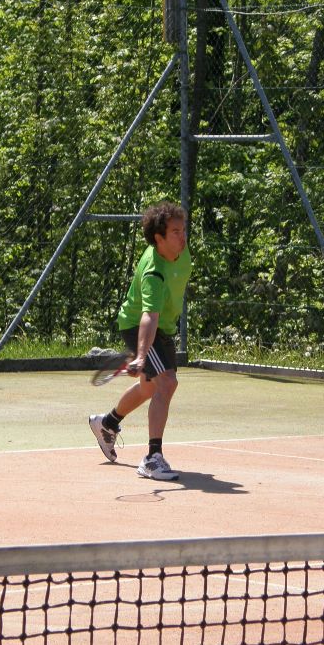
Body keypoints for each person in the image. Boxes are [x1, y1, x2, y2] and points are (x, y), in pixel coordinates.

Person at [89, 202, 192, 480]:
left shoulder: (180, 251)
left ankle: (107, 423)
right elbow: (149, 316)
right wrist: (142, 355)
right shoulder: (153, 272)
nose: (182, 237)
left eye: (183, 230)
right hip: (140, 326)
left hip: (163, 326)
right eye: (175, 232)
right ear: (159, 239)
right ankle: (152, 459)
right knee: (167, 383)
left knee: (150, 387)